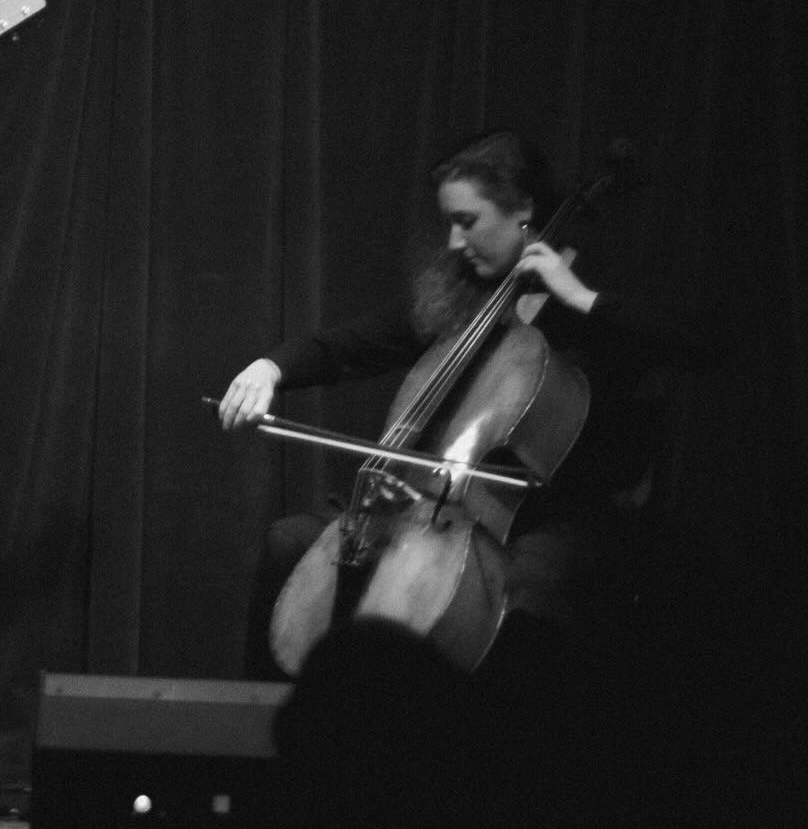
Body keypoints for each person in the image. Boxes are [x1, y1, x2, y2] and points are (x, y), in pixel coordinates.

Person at [217, 129, 710, 783]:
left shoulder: (596, 294)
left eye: (467, 221)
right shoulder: (459, 297)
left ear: (523, 213)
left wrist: (580, 298)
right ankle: (265, 756)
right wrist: (269, 368)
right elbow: (346, 346)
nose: (454, 242)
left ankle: (494, 785)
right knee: (289, 542)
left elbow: (703, 343)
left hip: (554, 514)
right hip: (437, 506)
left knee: (526, 598)